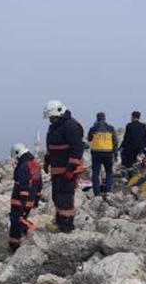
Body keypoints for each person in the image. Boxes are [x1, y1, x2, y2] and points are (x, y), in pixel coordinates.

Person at [43, 100, 84, 233]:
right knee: (57, 196)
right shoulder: (54, 127)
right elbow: (51, 147)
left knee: (65, 197)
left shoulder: (71, 126)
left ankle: (66, 226)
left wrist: (71, 168)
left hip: (67, 170)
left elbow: (76, 148)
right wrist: (47, 161)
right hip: (56, 169)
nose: (51, 120)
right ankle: (60, 222)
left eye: (52, 117)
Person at [8, 143, 43, 252]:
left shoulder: (23, 166)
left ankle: (33, 231)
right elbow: (39, 184)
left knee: (18, 220)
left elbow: (22, 185)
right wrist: (36, 200)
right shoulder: (35, 165)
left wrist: (23, 201)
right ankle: (14, 246)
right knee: (15, 225)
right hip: (30, 200)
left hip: (20, 201)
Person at [87, 112, 118, 197]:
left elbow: (89, 138)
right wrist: (115, 154)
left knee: (96, 172)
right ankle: (108, 191)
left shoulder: (93, 128)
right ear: (105, 118)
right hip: (108, 152)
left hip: (96, 153)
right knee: (108, 172)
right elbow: (115, 141)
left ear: (97, 119)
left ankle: (96, 192)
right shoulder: (111, 128)